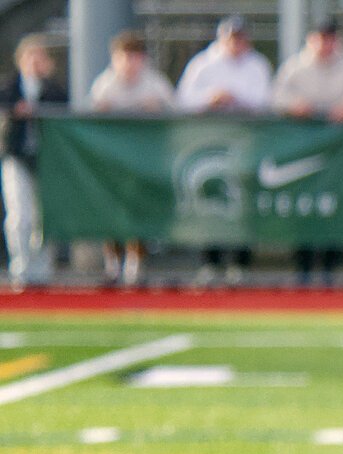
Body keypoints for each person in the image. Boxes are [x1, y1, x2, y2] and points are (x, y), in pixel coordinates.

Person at [272, 19, 343, 287]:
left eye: (329, 38)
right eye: (319, 37)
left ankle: (331, 270)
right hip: (303, 155)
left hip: (340, 156)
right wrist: (294, 105)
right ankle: (304, 270)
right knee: (305, 209)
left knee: (335, 207)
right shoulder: (295, 67)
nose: (324, 44)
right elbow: (274, 96)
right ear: (310, 39)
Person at [177, 15, 271, 286]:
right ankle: (210, 262)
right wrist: (211, 98)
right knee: (208, 200)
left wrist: (235, 97)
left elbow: (266, 99)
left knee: (243, 202)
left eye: (241, 37)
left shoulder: (256, 64)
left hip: (244, 142)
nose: (236, 43)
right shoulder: (203, 64)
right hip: (207, 144)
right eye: (232, 37)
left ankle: (240, 263)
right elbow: (183, 99)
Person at [88, 32, 174, 286]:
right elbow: (90, 118)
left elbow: (176, 109)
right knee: (112, 211)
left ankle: (135, 266)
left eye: (134, 56)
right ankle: (113, 264)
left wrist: (156, 109)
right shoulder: (105, 83)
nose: (129, 62)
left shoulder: (154, 83)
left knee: (139, 210)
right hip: (112, 162)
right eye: (123, 56)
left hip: (144, 163)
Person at [2, 34, 66, 290]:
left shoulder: (54, 89)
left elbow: (64, 112)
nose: (35, 62)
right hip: (16, 157)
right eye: (31, 56)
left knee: (44, 217)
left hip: (46, 161)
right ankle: (21, 269)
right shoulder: (9, 87)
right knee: (20, 215)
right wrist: (14, 112)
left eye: (41, 57)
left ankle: (42, 271)